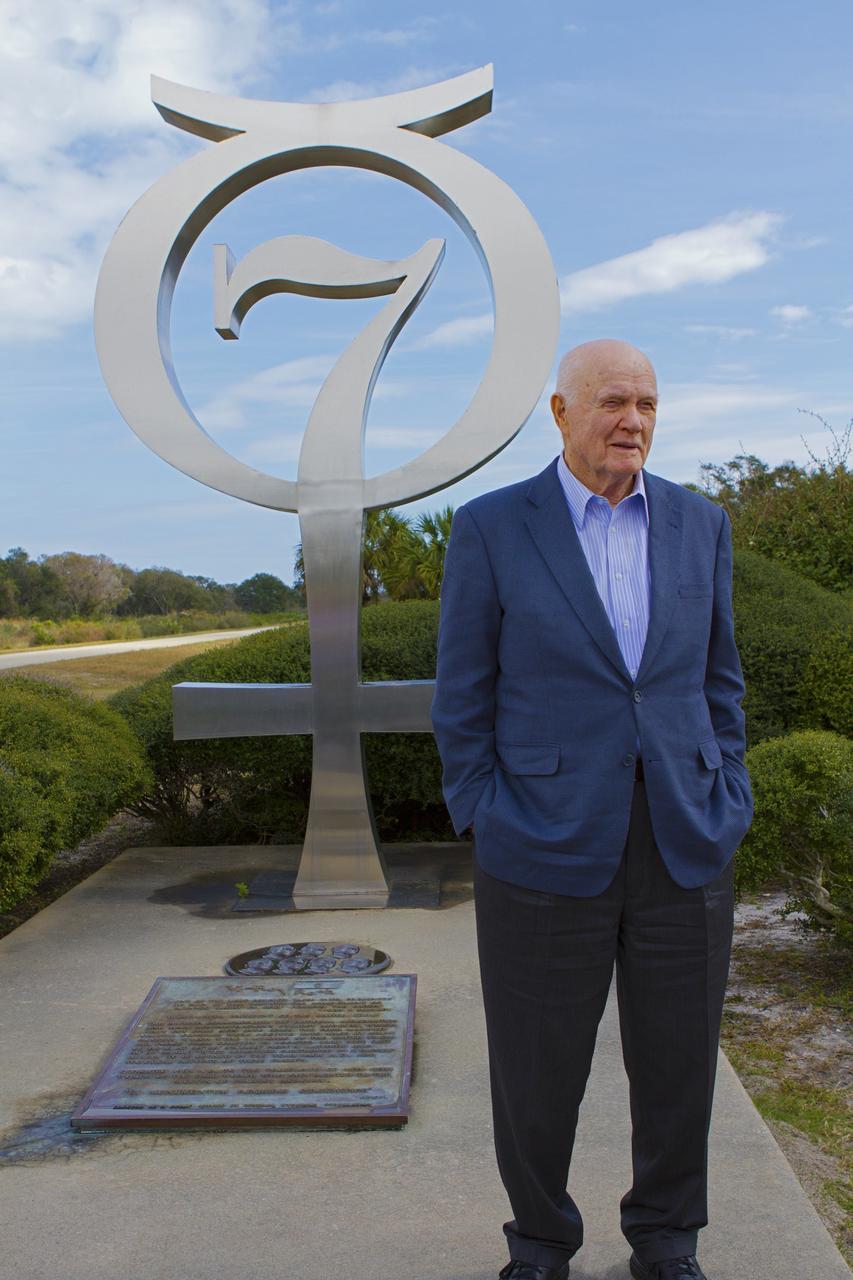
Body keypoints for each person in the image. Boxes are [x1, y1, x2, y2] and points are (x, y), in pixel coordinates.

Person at [431, 340, 753, 1280]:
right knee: (536, 1070)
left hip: (683, 839)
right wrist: (484, 813)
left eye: (649, 403)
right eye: (614, 401)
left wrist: (724, 788)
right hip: (538, 840)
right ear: (561, 412)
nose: (635, 421)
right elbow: (462, 694)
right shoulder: (493, 527)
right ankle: (539, 1242)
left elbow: (717, 680)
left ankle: (665, 1239)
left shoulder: (701, 523)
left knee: (678, 1065)